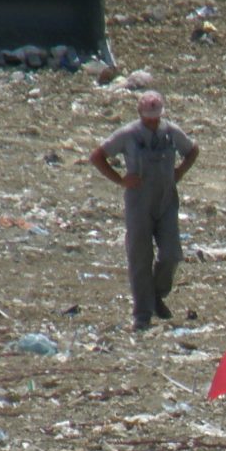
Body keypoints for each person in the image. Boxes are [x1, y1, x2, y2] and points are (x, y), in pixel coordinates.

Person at [89, 91, 198, 333]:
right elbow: (97, 156)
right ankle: (142, 314)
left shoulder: (170, 132)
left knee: (171, 254)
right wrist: (120, 179)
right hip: (139, 202)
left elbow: (192, 150)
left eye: (156, 117)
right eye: (148, 117)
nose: (152, 121)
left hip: (166, 201)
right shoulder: (128, 134)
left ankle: (157, 294)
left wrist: (179, 172)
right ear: (140, 113)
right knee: (140, 257)